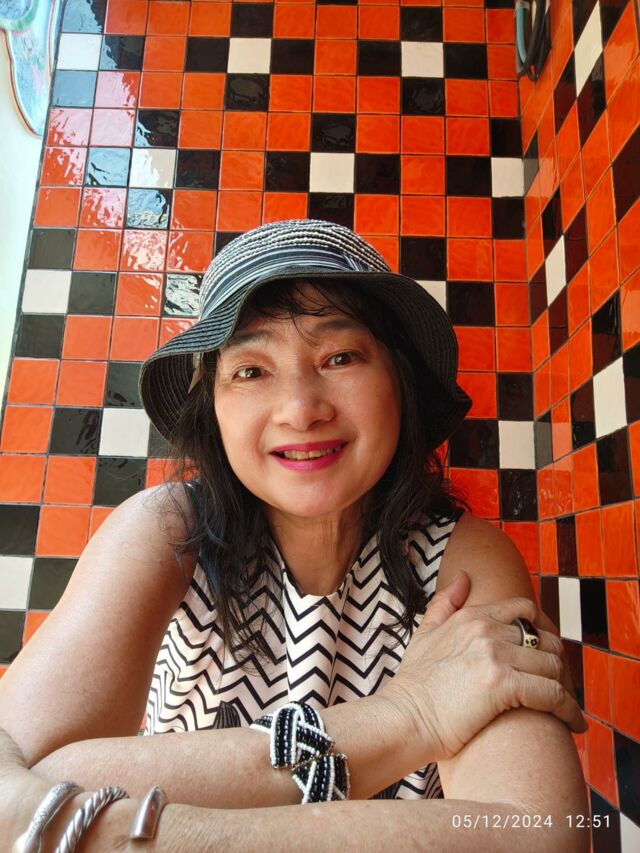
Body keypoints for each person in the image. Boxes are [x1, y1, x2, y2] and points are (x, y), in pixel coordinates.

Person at [1, 220, 590, 851]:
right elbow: (11, 792)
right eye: (250, 371)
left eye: (340, 357)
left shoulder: (459, 561)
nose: (301, 409)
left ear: (399, 381)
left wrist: (123, 831)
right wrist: (407, 716)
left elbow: (541, 836)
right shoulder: (170, 531)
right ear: (214, 409)